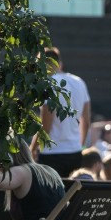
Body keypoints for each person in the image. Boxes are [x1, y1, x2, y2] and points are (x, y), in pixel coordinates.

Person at [31, 47, 90, 178]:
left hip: (52, 155)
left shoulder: (47, 85)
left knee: (53, 196)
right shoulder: (80, 82)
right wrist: (79, 146)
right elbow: (86, 121)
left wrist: (32, 150)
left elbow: (46, 127)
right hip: (75, 152)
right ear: (60, 63)